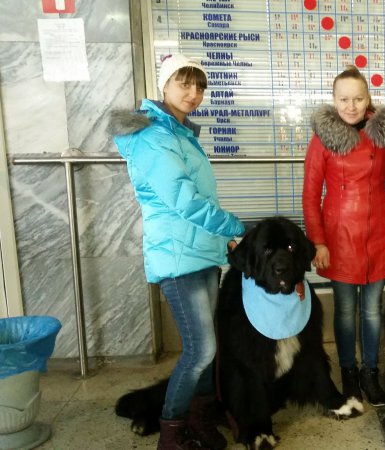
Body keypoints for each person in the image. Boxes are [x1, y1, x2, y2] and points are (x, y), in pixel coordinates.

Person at [110, 54, 245, 449]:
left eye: (199, 86)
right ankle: (171, 431)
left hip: (202, 254)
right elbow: (183, 201)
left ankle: (199, 418)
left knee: (210, 347)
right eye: (183, 83)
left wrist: (224, 240)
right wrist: (237, 229)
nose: (193, 93)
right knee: (200, 349)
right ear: (164, 86)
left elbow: (200, 198)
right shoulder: (155, 137)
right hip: (176, 259)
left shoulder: (182, 134)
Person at [302, 66, 385, 406]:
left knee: (373, 311)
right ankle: (348, 372)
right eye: (344, 99)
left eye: (358, 98)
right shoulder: (323, 138)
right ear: (334, 100)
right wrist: (317, 241)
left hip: (380, 233)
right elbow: (310, 195)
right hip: (339, 238)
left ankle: (371, 372)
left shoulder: (383, 137)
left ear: (369, 99)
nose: (351, 106)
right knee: (346, 310)